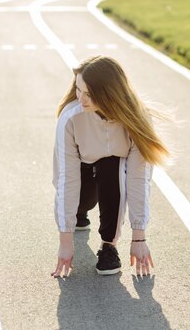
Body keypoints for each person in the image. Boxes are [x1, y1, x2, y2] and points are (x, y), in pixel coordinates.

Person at [51, 55, 169, 278]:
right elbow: (67, 178)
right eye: (78, 90)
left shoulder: (137, 120)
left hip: (111, 175)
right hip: (81, 175)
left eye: (89, 94)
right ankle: (79, 213)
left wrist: (139, 237)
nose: (81, 99)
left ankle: (109, 246)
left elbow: (138, 179)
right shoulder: (70, 117)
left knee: (114, 164)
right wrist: (65, 240)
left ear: (109, 94)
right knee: (77, 207)